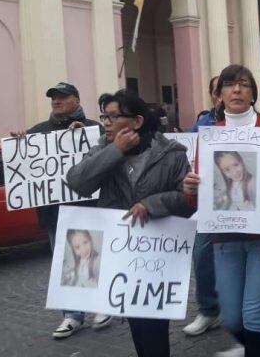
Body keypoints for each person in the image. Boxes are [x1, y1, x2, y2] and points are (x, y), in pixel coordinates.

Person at [183, 65, 260, 357]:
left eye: (244, 84)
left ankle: (259, 349)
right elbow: (198, 200)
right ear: (219, 94)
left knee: (253, 317)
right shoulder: (209, 136)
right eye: (229, 84)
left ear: (252, 94)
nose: (236, 90)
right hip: (224, 239)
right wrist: (190, 188)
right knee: (233, 318)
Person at [66, 89, 194, 356]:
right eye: (104, 117)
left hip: (156, 253)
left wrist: (152, 205)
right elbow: (77, 182)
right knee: (137, 322)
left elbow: (189, 199)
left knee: (154, 325)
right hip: (120, 252)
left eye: (114, 116)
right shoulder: (103, 148)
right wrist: (115, 151)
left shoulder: (171, 154)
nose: (107, 123)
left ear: (137, 121)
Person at [9, 82, 108, 338]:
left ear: (76, 100)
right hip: (55, 213)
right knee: (65, 263)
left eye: (62, 97)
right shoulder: (38, 133)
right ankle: (72, 315)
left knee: (92, 258)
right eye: (53, 97)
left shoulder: (94, 128)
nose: (56, 101)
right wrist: (19, 142)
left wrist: (84, 132)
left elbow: (106, 159)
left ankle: (101, 306)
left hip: (88, 207)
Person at [183, 75, 223, 337]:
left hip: (245, 203)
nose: (226, 93)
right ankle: (209, 310)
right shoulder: (202, 125)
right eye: (219, 90)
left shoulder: (256, 124)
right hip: (210, 201)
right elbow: (192, 160)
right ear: (212, 95)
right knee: (202, 255)